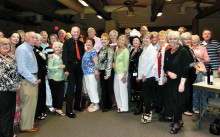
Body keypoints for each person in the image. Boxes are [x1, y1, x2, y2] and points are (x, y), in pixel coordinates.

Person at [164, 31, 190, 134]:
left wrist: (182, 83)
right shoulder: (167, 51)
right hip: (170, 81)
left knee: (177, 103)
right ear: (168, 41)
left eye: (175, 39)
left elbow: (186, 69)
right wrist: (168, 73)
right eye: (170, 39)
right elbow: (165, 67)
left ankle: (177, 123)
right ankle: (178, 120)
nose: (173, 41)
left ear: (178, 40)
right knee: (172, 101)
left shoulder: (183, 51)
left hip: (180, 81)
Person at [15, 31, 41, 132]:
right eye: (32, 37)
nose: (35, 39)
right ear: (26, 38)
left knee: (31, 103)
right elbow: (21, 68)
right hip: (28, 80)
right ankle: (26, 126)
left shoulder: (30, 48)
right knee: (28, 103)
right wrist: (33, 79)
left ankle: (28, 121)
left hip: (31, 78)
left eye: (36, 37)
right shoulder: (22, 49)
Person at [0, 38, 21, 137]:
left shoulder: (11, 57)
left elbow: (16, 72)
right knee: (4, 114)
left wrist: (19, 82)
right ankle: (5, 134)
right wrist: (15, 85)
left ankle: (9, 132)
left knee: (10, 113)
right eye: (2, 44)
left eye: (7, 44)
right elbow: (2, 75)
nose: (5, 46)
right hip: (3, 90)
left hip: (12, 90)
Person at [62, 26, 84, 118]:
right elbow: (65, 56)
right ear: (71, 32)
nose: (76, 34)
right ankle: (69, 110)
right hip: (70, 68)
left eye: (77, 32)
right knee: (70, 89)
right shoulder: (67, 42)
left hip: (79, 67)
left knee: (79, 87)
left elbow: (82, 56)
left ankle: (77, 105)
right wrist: (66, 69)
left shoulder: (80, 43)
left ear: (79, 33)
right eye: (74, 32)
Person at [138, 32, 158, 124]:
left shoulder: (152, 49)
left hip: (149, 75)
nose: (145, 39)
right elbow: (142, 64)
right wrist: (140, 75)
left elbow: (151, 63)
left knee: (147, 96)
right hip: (144, 75)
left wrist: (144, 74)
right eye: (144, 38)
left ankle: (148, 113)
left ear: (151, 40)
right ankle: (148, 111)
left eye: (147, 38)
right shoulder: (145, 48)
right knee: (146, 95)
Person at [95, 33, 114, 112]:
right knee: (103, 89)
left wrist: (107, 74)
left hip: (107, 72)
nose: (103, 41)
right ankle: (105, 104)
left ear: (108, 40)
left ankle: (107, 105)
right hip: (102, 71)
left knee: (107, 89)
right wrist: (97, 70)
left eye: (105, 39)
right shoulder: (101, 49)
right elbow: (99, 61)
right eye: (102, 39)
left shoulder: (109, 49)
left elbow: (109, 62)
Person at [191, 35, 210, 114]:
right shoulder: (189, 49)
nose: (194, 41)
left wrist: (201, 57)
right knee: (194, 90)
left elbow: (208, 59)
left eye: (196, 40)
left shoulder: (203, 48)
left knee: (201, 90)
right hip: (191, 71)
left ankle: (203, 108)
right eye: (193, 40)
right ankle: (195, 107)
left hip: (200, 71)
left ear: (199, 41)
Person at [155, 31, 171, 118]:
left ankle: (167, 113)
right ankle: (164, 111)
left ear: (166, 39)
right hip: (158, 76)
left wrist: (165, 75)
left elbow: (168, 64)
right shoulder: (158, 49)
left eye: (162, 39)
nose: (160, 40)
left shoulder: (168, 48)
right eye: (159, 39)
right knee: (162, 94)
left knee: (166, 95)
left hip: (165, 76)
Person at [180, 32, 197, 116]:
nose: (187, 41)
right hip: (186, 73)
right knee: (186, 92)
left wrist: (196, 66)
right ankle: (185, 109)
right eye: (185, 39)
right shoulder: (183, 49)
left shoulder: (189, 48)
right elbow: (186, 64)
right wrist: (196, 66)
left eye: (189, 39)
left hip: (191, 73)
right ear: (182, 40)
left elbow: (194, 60)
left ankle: (190, 107)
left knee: (190, 91)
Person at [82, 37, 99, 112]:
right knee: (89, 88)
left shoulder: (93, 51)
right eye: (87, 42)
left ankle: (96, 104)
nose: (88, 43)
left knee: (93, 88)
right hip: (86, 73)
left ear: (93, 44)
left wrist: (96, 71)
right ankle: (92, 102)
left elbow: (96, 62)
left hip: (91, 73)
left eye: (90, 42)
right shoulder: (86, 51)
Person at [48, 42, 65, 116]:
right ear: (53, 48)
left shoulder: (62, 57)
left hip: (61, 78)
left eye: (59, 47)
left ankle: (58, 108)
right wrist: (59, 67)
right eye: (56, 47)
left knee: (60, 95)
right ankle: (57, 108)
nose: (57, 48)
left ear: (61, 48)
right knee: (55, 95)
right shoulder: (51, 57)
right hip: (53, 79)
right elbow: (49, 67)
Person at [113, 35, 129, 113]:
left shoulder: (125, 51)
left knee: (123, 91)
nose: (121, 41)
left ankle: (124, 107)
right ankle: (119, 106)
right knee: (116, 90)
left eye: (123, 40)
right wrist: (113, 63)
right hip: (116, 72)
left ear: (125, 41)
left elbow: (126, 64)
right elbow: (115, 59)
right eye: (120, 40)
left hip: (122, 73)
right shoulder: (117, 49)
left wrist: (125, 75)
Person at [34, 34, 47, 120]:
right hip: (37, 74)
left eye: (40, 40)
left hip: (42, 74)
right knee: (38, 95)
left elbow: (43, 63)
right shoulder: (34, 50)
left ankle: (42, 110)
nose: (39, 41)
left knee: (43, 93)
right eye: (37, 40)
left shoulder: (40, 50)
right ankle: (37, 113)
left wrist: (45, 73)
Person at [129, 34, 143, 115]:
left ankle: (140, 107)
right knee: (135, 91)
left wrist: (138, 75)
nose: (135, 42)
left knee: (139, 91)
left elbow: (140, 64)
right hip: (132, 74)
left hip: (137, 74)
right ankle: (137, 106)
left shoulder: (140, 51)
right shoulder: (132, 50)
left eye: (137, 40)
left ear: (139, 42)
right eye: (134, 40)